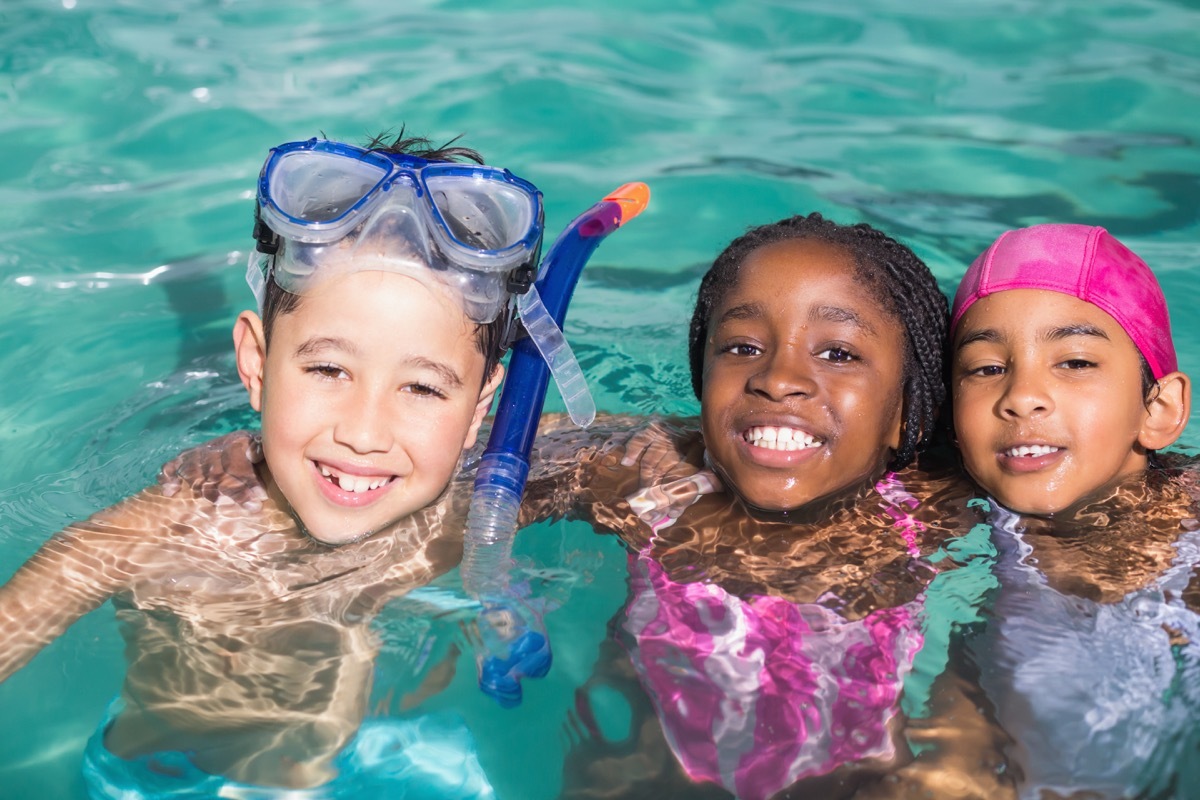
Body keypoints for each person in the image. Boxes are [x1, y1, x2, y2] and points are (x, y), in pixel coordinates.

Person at [168, 213, 1012, 797]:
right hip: (639, 767)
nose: (780, 378)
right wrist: (260, 460)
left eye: (838, 352)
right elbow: (452, 451)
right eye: (742, 346)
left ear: (910, 408)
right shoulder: (644, 473)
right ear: (700, 374)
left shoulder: (940, 500)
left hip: (857, 778)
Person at [0, 130, 557, 797]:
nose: (363, 431)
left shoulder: (477, 497)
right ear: (257, 366)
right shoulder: (171, 533)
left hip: (395, 758)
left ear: (477, 411)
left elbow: (645, 459)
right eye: (328, 368)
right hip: (174, 778)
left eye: (422, 387)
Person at [947, 223, 1200, 799]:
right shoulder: (947, 502)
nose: (1021, 395)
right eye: (986, 368)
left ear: (1158, 409)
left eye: (1075, 362)